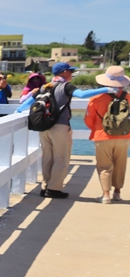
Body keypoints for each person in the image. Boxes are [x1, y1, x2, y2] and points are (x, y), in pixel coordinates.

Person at [18, 62, 112, 198]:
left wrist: (18, 111)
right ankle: (54, 189)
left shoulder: (45, 87)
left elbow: (26, 104)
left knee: (47, 157)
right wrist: (105, 90)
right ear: (63, 72)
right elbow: (82, 95)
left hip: (44, 127)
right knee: (61, 157)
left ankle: (45, 186)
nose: (72, 74)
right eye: (70, 71)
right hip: (60, 126)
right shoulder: (66, 86)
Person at [84, 66, 130, 204]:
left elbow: (88, 120)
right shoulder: (128, 97)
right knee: (120, 164)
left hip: (102, 136)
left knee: (104, 166)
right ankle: (117, 192)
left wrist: (98, 129)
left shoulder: (96, 98)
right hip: (124, 136)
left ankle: (105, 195)